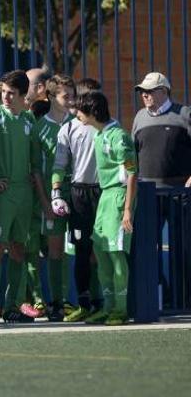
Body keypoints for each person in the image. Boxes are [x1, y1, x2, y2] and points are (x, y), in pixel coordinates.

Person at [0, 70, 36, 323]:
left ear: (24, 96)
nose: (6, 97)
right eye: (3, 92)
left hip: (24, 193)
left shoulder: (29, 121)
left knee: (19, 249)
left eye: (11, 94)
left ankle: (13, 305)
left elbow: (35, 163)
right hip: (2, 192)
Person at [74, 91, 137, 326]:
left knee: (116, 252)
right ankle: (108, 307)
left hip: (118, 197)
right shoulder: (99, 135)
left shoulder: (119, 136)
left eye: (80, 109)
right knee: (100, 251)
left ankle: (120, 309)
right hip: (105, 197)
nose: (76, 113)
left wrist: (127, 209)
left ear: (92, 112)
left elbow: (132, 173)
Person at [52, 78, 105, 322]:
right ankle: (84, 303)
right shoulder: (68, 129)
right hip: (79, 194)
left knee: (104, 249)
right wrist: (56, 193)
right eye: (87, 95)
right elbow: (59, 165)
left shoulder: (107, 127)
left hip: (103, 192)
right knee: (82, 250)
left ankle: (104, 302)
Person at [28, 74, 75, 321]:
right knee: (55, 250)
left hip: (78, 196)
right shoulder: (39, 127)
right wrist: (46, 203)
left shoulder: (79, 123)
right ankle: (57, 302)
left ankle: (86, 300)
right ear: (51, 96)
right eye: (66, 96)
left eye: (72, 95)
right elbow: (35, 169)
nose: (71, 100)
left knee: (87, 248)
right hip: (51, 200)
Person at [131, 72, 191, 188]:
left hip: (177, 194)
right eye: (142, 91)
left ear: (164, 91)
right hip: (146, 193)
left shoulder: (184, 114)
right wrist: (129, 175)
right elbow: (130, 153)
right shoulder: (139, 116)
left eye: (149, 91)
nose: (144, 95)